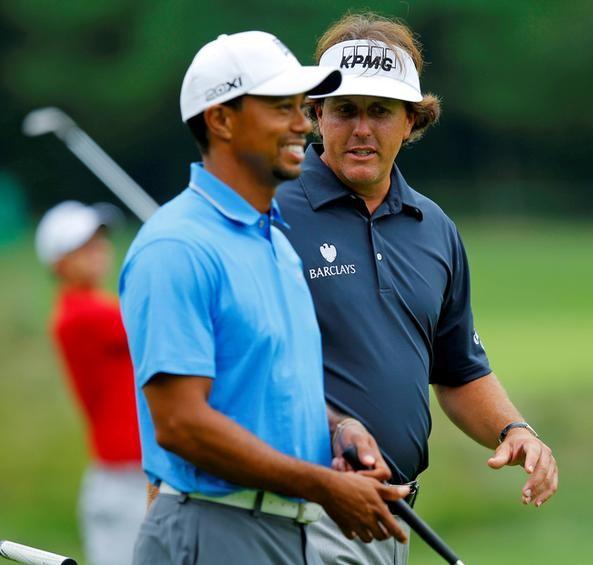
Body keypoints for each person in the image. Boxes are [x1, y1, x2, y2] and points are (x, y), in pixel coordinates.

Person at [275, 13, 559, 564]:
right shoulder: (269, 212)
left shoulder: (433, 228)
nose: (362, 128)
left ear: (411, 121)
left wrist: (513, 428)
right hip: (296, 512)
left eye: (380, 111)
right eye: (344, 110)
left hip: (390, 521)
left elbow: (458, 368)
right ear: (315, 116)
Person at [119, 31, 411, 565]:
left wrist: (338, 428)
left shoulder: (272, 242)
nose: (303, 123)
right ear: (221, 120)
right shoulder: (177, 245)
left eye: (302, 108)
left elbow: (274, 385)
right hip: (214, 525)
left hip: (280, 531)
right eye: (281, 109)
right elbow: (182, 425)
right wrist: (324, 486)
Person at [35, 201, 146, 565]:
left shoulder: (101, 306)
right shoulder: (81, 316)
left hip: (137, 474)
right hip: (121, 481)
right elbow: (158, 319)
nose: (97, 250)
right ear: (59, 263)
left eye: (98, 240)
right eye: (82, 246)